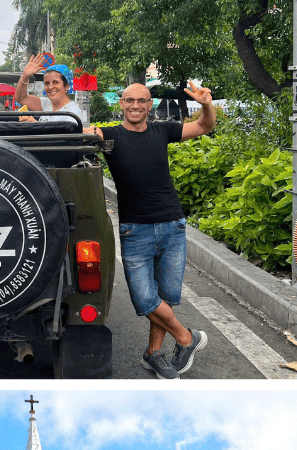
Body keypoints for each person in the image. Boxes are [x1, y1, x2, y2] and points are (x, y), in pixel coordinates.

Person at [88, 79, 214, 378]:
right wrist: (41, 123)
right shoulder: (109, 136)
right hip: (135, 230)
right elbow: (81, 134)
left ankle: (153, 353)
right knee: (145, 299)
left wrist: (206, 106)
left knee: (165, 297)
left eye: (141, 101)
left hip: (172, 224)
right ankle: (187, 338)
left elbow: (204, 126)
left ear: (149, 105)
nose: (135, 106)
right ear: (121, 104)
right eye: (129, 100)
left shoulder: (163, 130)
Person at [16, 54, 93, 131]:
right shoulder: (48, 104)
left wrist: (36, 125)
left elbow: (64, 136)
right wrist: (25, 76)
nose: (50, 87)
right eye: (47, 83)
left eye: (55, 82)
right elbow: (21, 98)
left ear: (66, 86)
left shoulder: (72, 112)